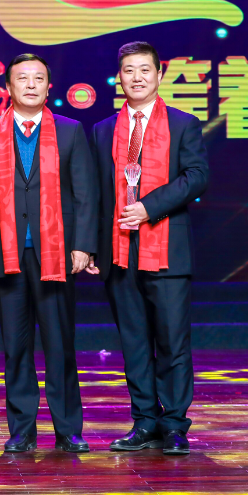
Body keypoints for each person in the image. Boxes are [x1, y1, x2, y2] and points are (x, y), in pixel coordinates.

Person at [0, 53, 99, 453]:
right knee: (16, 346)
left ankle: (68, 429)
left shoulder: (70, 130)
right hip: (6, 252)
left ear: (48, 87)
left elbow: (86, 192)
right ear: (8, 87)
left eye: (38, 78)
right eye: (22, 78)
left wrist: (83, 244)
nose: (30, 85)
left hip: (56, 252)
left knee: (60, 344)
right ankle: (21, 430)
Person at [90, 41, 209, 456]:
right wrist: (90, 246)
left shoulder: (183, 124)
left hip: (167, 249)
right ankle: (144, 421)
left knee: (173, 343)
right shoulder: (102, 130)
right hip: (119, 250)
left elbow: (197, 176)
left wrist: (148, 207)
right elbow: (94, 193)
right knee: (135, 343)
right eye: (128, 70)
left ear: (160, 74)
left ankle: (174, 425)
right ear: (118, 77)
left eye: (144, 69)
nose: (137, 77)